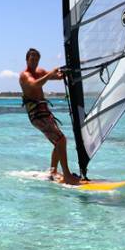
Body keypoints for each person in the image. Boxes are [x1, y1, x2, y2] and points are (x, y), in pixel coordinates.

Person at [19, 48, 79, 185]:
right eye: (32, 58)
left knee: (58, 142)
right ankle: (67, 176)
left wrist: (67, 71)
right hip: (36, 115)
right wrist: (50, 73)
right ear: (27, 59)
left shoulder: (40, 72)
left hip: (45, 112)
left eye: (36, 58)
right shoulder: (24, 75)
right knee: (61, 140)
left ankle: (53, 171)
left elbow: (57, 76)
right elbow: (34, 84)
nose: (34, 60)